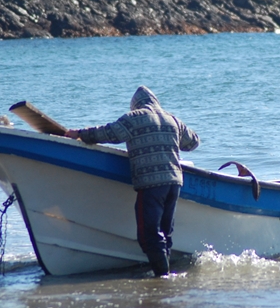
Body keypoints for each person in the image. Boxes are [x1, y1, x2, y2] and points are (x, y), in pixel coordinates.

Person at [65, 86, 200, 276]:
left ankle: (163, 277)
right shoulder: (172, 119)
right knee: (164, 232)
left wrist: (78, 133)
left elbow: (107, 133)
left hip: (151, 184)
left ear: (134, 105)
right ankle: (165, 274)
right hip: (174, 183)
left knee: (149, 234)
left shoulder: (133, 118)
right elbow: (193, 142)